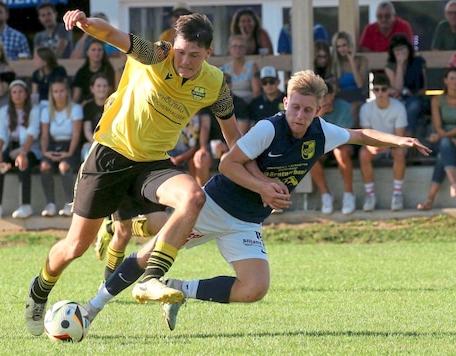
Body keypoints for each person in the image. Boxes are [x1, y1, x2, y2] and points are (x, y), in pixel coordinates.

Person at [80, 70, 430, 331]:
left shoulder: (322, 132)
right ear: (285, 103)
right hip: (215, 206)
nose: (299, 116)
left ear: (318, 110)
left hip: (246, 222)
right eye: (295, 107)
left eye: (307, 111)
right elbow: (228, 164)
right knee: (147, 256)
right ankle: (91, 308)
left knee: (255, 288)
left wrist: (399, 142)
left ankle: (177, 289)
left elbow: (359, 135)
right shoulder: (268, 128)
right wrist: (264, 187)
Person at [24, 9, 241, 337]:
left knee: (193, 198)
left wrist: (255, 175)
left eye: (195, 55)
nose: (185, 61)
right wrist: (84, 23)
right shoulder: (155, 54)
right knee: (74, 247)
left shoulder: (215, 83)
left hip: (152, 163)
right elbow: (113, 35)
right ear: (173, 45)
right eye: (181, 52)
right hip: (109, 157)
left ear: (208, 53)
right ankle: (39, 291)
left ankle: (151, 277)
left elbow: (233, 137)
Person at [417, 67, 456, 210]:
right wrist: (452, 140)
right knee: (445, 145)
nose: (455, 81)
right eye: (452, 78)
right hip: (446, 139)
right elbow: (437, 126)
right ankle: (454, 183)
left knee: (443, 154)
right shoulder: (437, 100)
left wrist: (450, 139)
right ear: (446, 81)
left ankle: (430, 200)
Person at [0, 80, 41, 221]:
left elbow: (32, 132)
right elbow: (0, 134)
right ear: (10, 95)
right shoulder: (4, 111)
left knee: (23, 163)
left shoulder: (34, 110)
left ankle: (25, 205)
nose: (17, 95)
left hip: (28, 148)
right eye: (14, 92)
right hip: (10, 148)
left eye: (20, 92)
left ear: (26, 94)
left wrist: (23, 153)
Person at [358, 74, 408, 211]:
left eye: (384, 89)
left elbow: (400, 137)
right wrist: (372, 146)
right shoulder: (365, 109)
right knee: (363, 154)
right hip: (374, 145)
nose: (380, 93)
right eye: (377, 89)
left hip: (394, 145)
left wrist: (386, 146)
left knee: (400, 153)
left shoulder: (399, 107)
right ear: (373, 91)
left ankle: (397, 194)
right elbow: (365, 135)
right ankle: (370, 195)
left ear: (390, 90)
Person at [39, 77, 82, 217]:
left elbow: (76, 133)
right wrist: (45, 151)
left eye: (62, 91)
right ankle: (50, 204)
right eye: (55, 91)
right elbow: (45, 135)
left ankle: (69, 203)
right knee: (45, 166)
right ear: (51, 94)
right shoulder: (46, 111)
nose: (59, 94)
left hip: (70, 144)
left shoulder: (76, 109)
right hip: (54, 145)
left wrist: (69, 153)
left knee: (64, 166)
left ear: (67, 92)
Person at [310, 81, 356, 215]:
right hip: (322, 146)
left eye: (325, 95)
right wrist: (319, 116)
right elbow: (308, 135)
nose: (322, 99)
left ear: (332, 95)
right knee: (310, 156)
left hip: (342, 144)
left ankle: (348, 194)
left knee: (341, 152)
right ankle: (326, 195)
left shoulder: (345, 107)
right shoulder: (313, 111)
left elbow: (344, 135)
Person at [384, 34, 426, 137]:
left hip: (416, 97)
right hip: (397, 98)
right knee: (398, 107)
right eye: (397, 50)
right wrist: (400, 65)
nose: (401, 53)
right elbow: (397, 88)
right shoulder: (390, 66)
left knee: (413, 107)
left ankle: (408, 138)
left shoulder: (418, 62)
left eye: (403, 49)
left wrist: (413, 93)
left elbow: (424, 88)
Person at [331, 31, 369, 126]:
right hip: (341, 96)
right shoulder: (335, 63)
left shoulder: (362, 60)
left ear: (350, 45)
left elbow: (360, 84)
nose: (341, 49)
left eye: (344, 45)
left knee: (354, 107)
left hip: (358, 95)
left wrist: (351, 60)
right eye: (338, 46)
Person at [71, 40, 116, 104]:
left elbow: (110, 92)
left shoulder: (109, 70)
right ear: (87, 52)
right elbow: (76, 96)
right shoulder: (81, 72)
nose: (96, 53)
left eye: (99, 50)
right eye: (93, 50)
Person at [80, 73, 111, 162]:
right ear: (92, 89)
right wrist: (97, 145)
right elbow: (87, 131)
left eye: (104, 86)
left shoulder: (114, 105)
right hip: (92, 143)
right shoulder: (87, 107)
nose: (102, 89)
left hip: (110, 144)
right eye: (98, 86)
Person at [31, 46, 67, 111]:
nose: (34, 60)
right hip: (42, 104)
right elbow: (35, 94)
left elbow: (64, 87)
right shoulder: (36, 74)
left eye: (36, 58)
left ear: (45, 61)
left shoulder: (59, 71)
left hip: (57, 102)